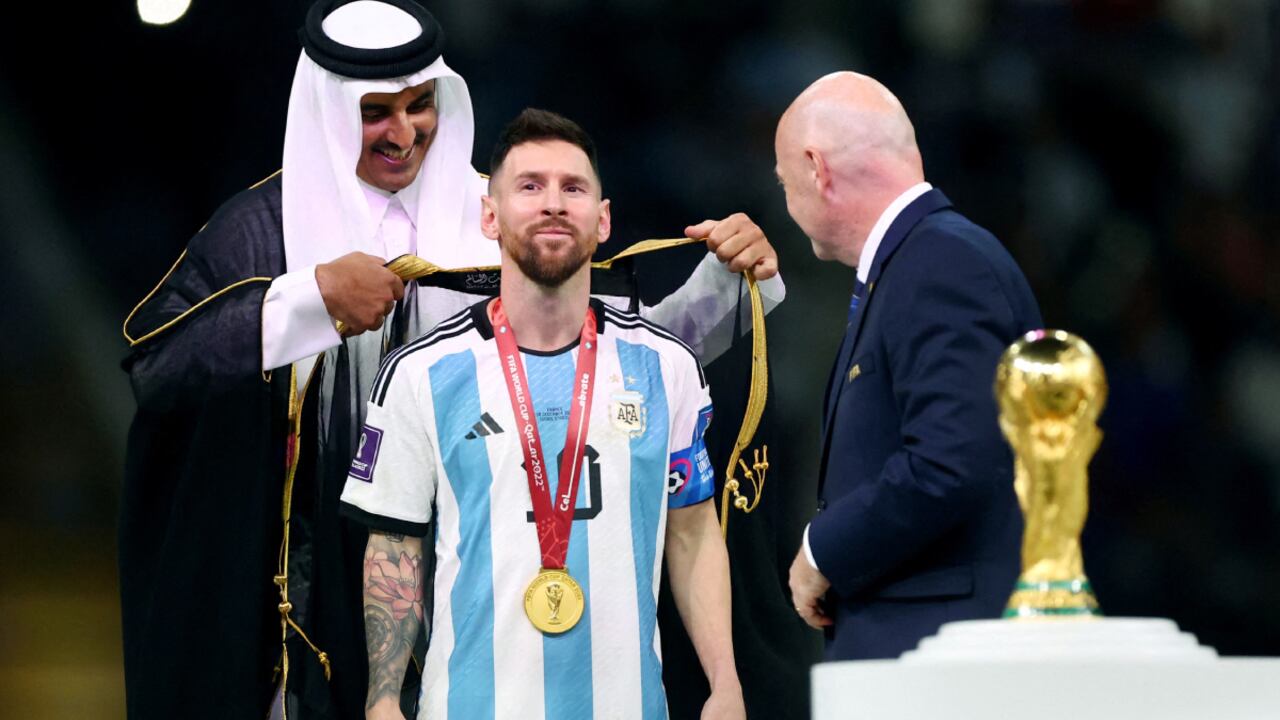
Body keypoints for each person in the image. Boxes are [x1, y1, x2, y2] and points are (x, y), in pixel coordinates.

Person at [119, 1, 781, 718]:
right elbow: (157, 368)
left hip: (473, 572)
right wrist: (311, 302)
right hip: (307, 580)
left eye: (420, 105)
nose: (404, 134)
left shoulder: (498, 213)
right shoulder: (259, 233)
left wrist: (728, 286)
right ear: (330, 111)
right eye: (376, 111)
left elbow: (616, 361)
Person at [340, 108, 746, 720]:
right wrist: (382, 701)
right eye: (529, 186)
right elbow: (394, 545)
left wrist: (724, 684)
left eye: (573, 188)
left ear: (603, 220)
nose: (553, 203)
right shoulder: (419, 372)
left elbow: (692, 535)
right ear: (489, 215)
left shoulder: (667, 367)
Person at [775, 71, 1043, 660]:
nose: (787, 200)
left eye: (784, 179)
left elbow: (951, 461)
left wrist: (824, 550)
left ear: (816, 168)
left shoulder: (940, 263)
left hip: (942, 657)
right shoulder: (918, 264)